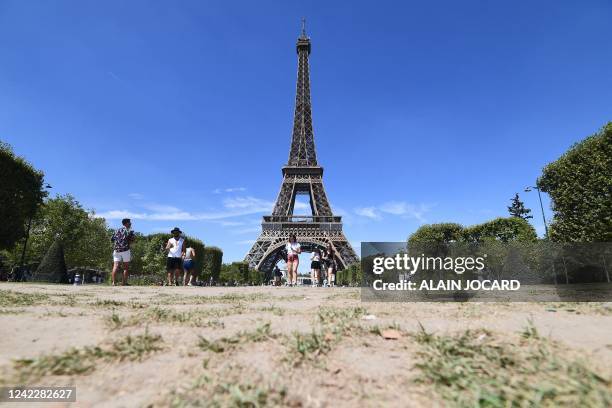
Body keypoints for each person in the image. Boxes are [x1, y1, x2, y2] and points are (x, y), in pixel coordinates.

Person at [111, 218, 135, 286]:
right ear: (126, 223)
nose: (131, 224)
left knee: (115, 266)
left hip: (116, 250)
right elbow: (132, 240)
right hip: (125, 250)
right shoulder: (129, 231)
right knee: (126, 267)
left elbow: (112, 239)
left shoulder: (116, 230)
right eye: (129, 223)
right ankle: (123, 283)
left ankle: (113, 282)